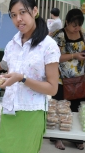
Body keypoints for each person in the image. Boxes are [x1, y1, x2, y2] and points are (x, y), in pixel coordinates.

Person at [0, 0, 60, 153]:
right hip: (8, 110)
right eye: (13, 15)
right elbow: (9, 82)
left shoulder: (48, 46)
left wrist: (22, 79)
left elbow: (52, 89)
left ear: (35, 11)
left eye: (23, 12)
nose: (18, 19)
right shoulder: (11, 45)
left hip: (31, 113)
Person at [51, 8, 85, 150]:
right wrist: (75, 56)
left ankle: (76, 138)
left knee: (78, 109)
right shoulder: (60, 35)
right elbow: (55, 57)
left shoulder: (82, 34)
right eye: (74, 25)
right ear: (67, 22)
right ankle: (57, 138)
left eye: (79, 25)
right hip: (61, 80)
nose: (76, 28)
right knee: (60, 108)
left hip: (79, 79)